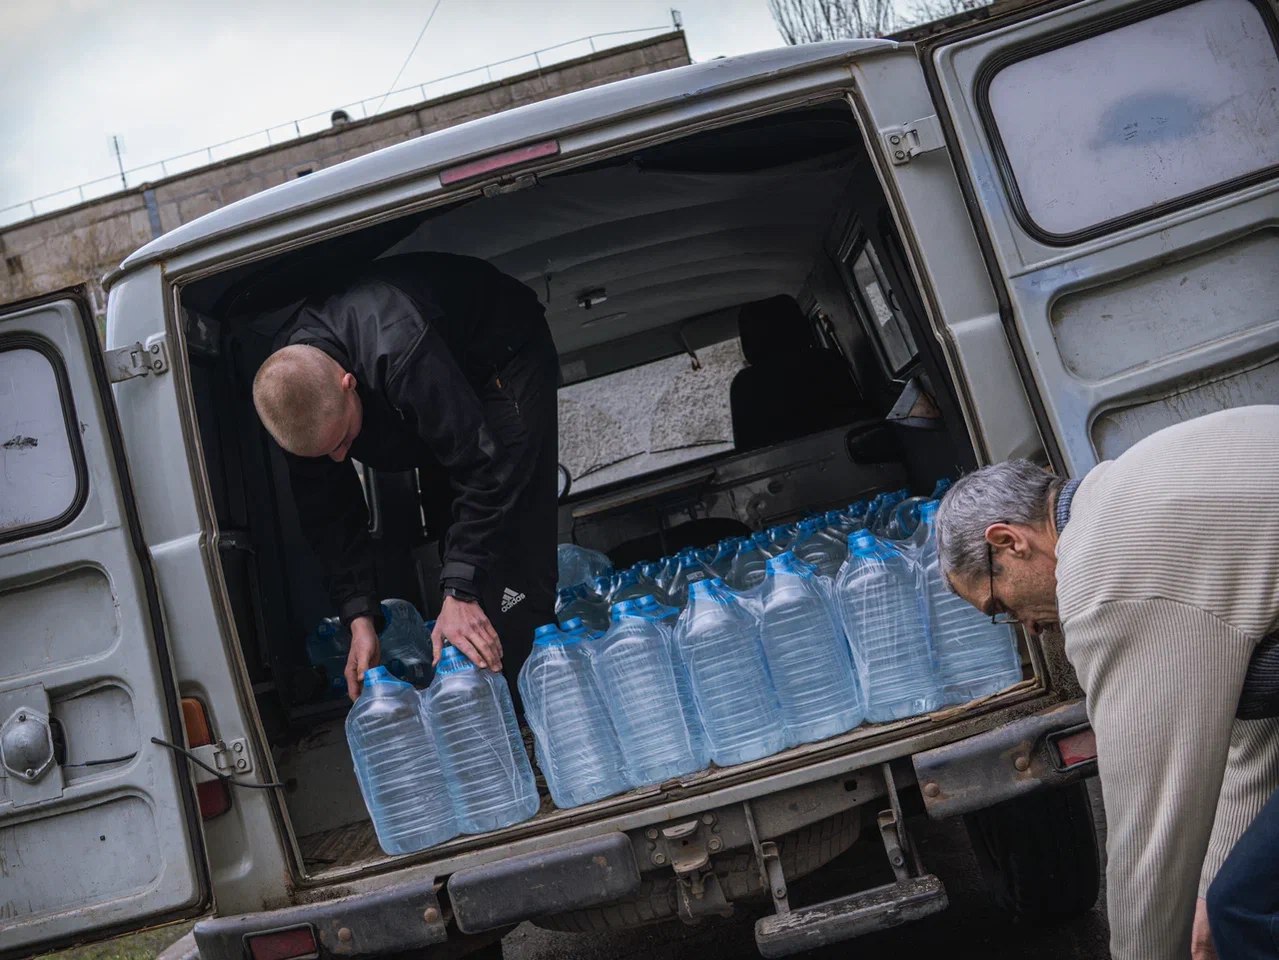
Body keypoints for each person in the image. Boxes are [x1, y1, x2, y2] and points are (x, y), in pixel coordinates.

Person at [932, 405, 1279, 960]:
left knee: (1249, 912)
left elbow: (1148, 824)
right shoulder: (1126, 486)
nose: (1027, 626)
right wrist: (1205, 903)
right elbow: (1253, 740)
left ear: (1009, 542)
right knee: (1231, 905)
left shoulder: (1101, 578)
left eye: (999, 606)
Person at [252, 252, 559, 707]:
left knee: (503, 547)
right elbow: (330, 517)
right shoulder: (294, 400)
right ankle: (495, 701)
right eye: (326, 453)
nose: (340, 457)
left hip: (501, 359)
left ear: (349, 383)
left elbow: (482, 466)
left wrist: (460, 589)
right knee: (452, 533)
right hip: (437, 395)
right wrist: (358, 617)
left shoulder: (399, 349)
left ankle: (540, 706)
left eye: (344, 441)